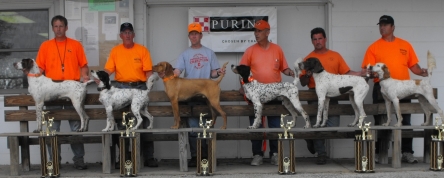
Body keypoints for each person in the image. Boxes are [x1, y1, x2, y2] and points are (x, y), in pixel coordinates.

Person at [361, 15, 426, 164]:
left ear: (393, 27)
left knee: (406, 122)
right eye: (380, 25)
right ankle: (380, 153)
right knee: (382, 120)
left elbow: (414, 66)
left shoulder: (405, 45)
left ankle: (407, 153)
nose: (382, 27)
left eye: (385, 25)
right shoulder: (373, 47)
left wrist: (422, 72)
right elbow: (367, 70)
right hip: (382, 88)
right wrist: (370, 73)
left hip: (404, 88)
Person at [299, 27, 363, 165]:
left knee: (333, 125)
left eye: (320, 38)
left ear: (325, 39)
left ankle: (310, 138)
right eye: (315, 39)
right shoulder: (309, 59)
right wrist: (307, 74)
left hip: (333, 95)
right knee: (318, 125)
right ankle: (321, 153)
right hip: (314, 96)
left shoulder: (336, 55)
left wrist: (360, 74)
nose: (318, 41)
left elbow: (346, 73)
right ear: (312, 41)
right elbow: (303, 82)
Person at [35, 15, 89, 170]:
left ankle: (78, 160)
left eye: (61, 26)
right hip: (52, 92)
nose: (58, 29)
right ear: (52, 28)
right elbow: (40, 69)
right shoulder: (45, 46)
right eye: (56, 26)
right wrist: (33, 78)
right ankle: (53, 160)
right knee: (52, 128)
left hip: (71, 90)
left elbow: (83, 65)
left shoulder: (75, 45)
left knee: (76, 128)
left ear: (66, 27)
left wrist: (85, 76)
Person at [239, 20, 295, 166]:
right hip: (255, 94)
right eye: (255, 31)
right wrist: (243, 86)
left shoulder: (277, 49)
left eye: (259, 31)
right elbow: (242, 72)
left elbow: (284, 68)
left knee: (275, 125)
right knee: (255, 124)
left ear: (267, 32)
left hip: (274, 94)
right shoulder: (250, 50)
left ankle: (275, 154)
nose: (256, 34)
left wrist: (290, 72)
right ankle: (257, 155)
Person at [104, 22, 158, 167]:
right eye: (124, 32)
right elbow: (108, 70)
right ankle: (124, 156)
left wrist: (149, 86)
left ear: (133, 35)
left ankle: (149, 157)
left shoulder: (142, 50)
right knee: (122, 123)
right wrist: (100, 77)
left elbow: (148, 72)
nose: (127, 35)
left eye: (130, 32)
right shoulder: (115, 51)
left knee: (144, 122)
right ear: (121, 35)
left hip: (139, 87)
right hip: (121, 88)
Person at [173, 22, 225, 167]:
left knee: (207, 127)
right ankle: (196, 156)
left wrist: (219, 72)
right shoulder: (184, 54)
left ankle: (207, 156)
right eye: (191, 33)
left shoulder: (209, 53)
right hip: (191, 96)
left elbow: (213, 73)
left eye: (196, 33)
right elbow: (178, 71)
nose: (194, 36)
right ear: (189, 36)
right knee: (193, 128)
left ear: (201, 35)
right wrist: (172, 73)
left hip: (206, 95)